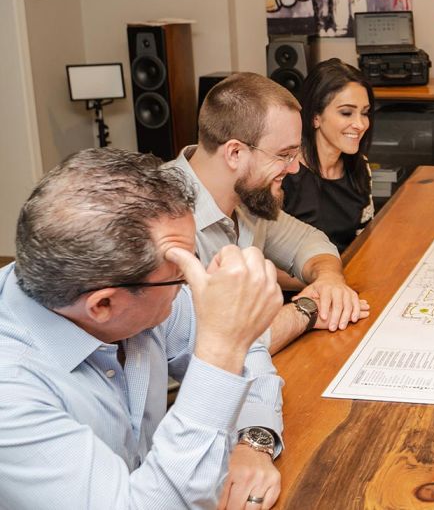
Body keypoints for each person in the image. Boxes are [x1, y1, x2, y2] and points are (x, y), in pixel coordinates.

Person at [0, 148, 287, 509]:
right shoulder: (10, 394)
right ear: (103, 305)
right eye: (180, 275)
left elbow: (250, 353)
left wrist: (252, 443)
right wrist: (221, 348)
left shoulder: (142, 290)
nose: (190, 284)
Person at [166, 72, 369, 354]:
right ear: (235, 153)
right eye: (284, 155)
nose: (294, 167)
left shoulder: (246, 196)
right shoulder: (161, 221)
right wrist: (307, 309)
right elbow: (217, 350)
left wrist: (328, 280)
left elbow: (308, 241)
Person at [282, 59, 375, 255]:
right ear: (315, 116)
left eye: (365, 113)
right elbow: (268, 259)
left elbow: (364, 240)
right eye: (347, 113)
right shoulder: (282, 174)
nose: (360, 124)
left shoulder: (360, 167)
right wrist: (330, 274)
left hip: (350, 275)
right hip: (304, 282)